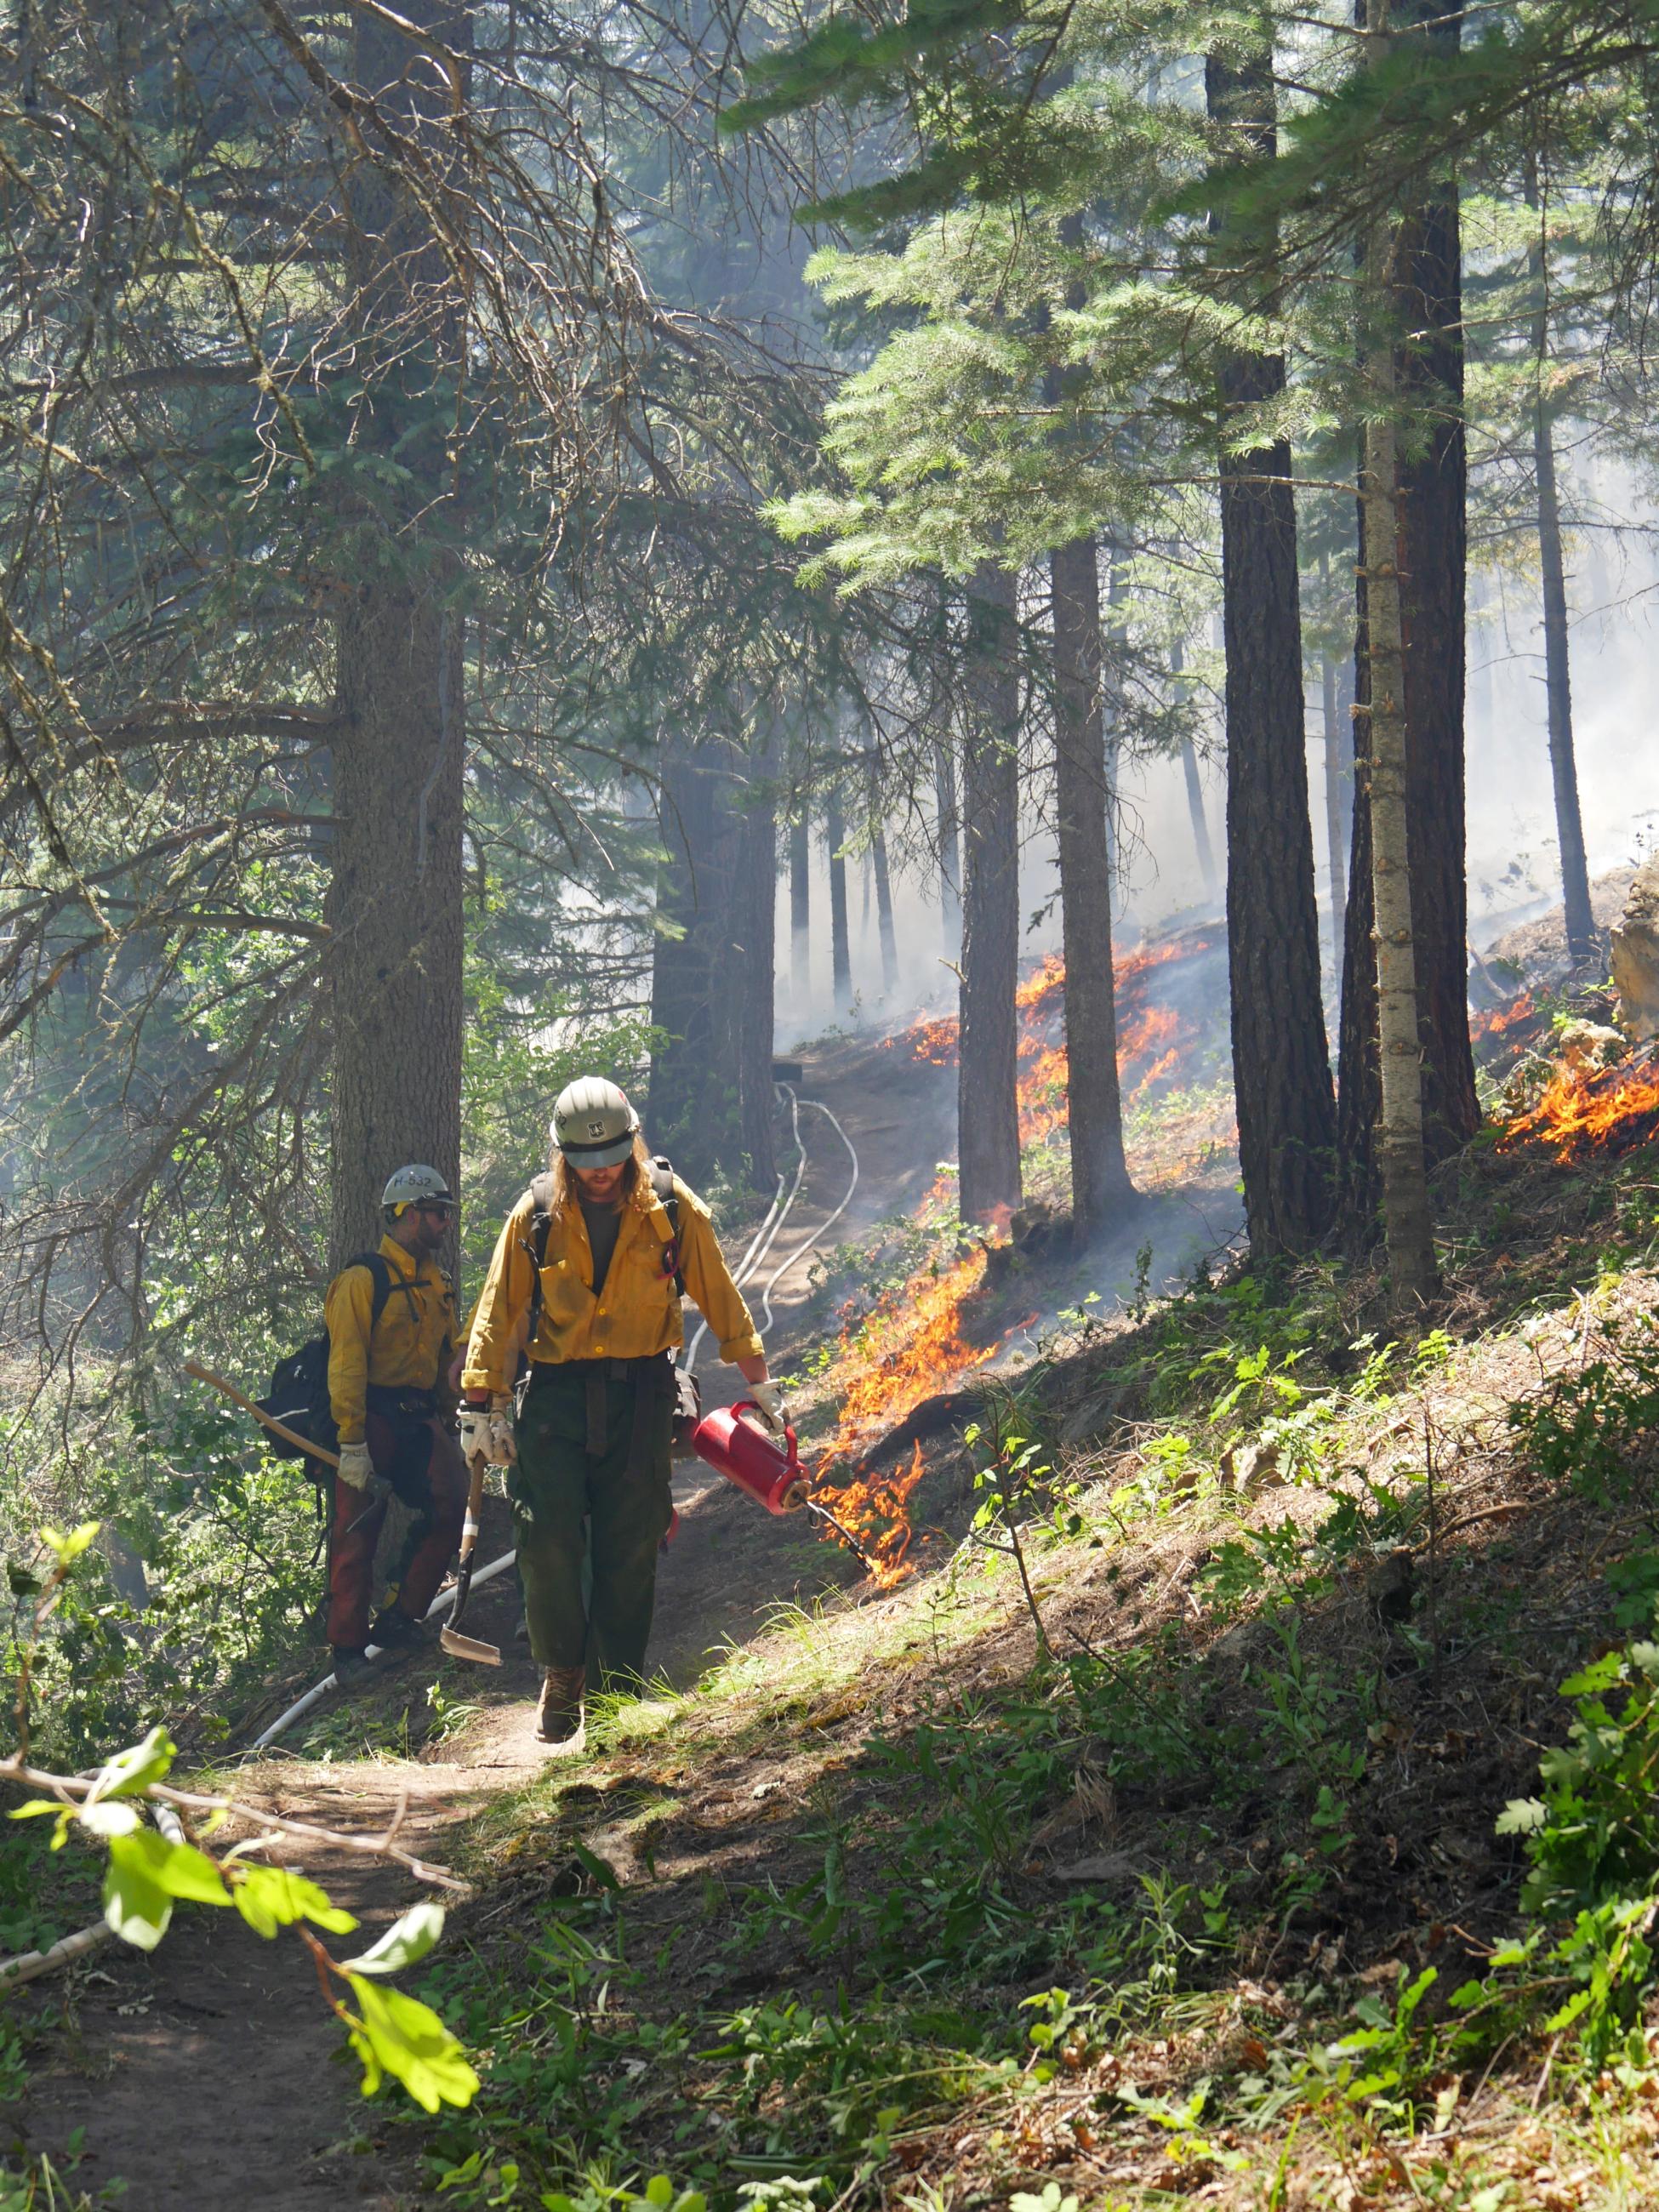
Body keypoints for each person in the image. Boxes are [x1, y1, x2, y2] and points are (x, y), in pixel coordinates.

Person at [461, 1077, 785, 1747]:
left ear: (632, 1144)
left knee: (629, 1546)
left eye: (611, 1158)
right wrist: (478, 1406)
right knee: (545, 1538)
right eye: (585, 1163)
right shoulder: (536, 1216)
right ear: (562, 1158)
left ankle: (615, 1706)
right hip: (555, 1399)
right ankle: (564, 1671)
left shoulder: (670, 1206)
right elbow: (498, 1313)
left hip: (642, 1394)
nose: (601, 1173)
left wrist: (759, 1382)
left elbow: (719, 1294)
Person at [325, 1165, 470, 1685]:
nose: (443, 1223)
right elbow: (346, 1364)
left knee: (452, 1503)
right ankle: (346, 1652)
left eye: (446, 1214)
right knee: (355, 1532)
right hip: (370, 1418)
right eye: (435, 1213)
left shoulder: (439, 1282)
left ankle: (400, 1616)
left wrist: (459, 1413)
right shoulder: (362, 1280)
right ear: (406, 1216)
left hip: (420, 1416)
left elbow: (446, 1357)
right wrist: (351, 1442)